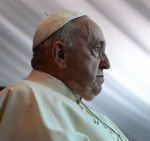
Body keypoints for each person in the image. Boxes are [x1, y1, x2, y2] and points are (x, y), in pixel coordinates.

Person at [0, 10, 129, 141]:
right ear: (60, 54)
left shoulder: (101, 118)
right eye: (96, 49)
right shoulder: (24, 96)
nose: (106, 64)